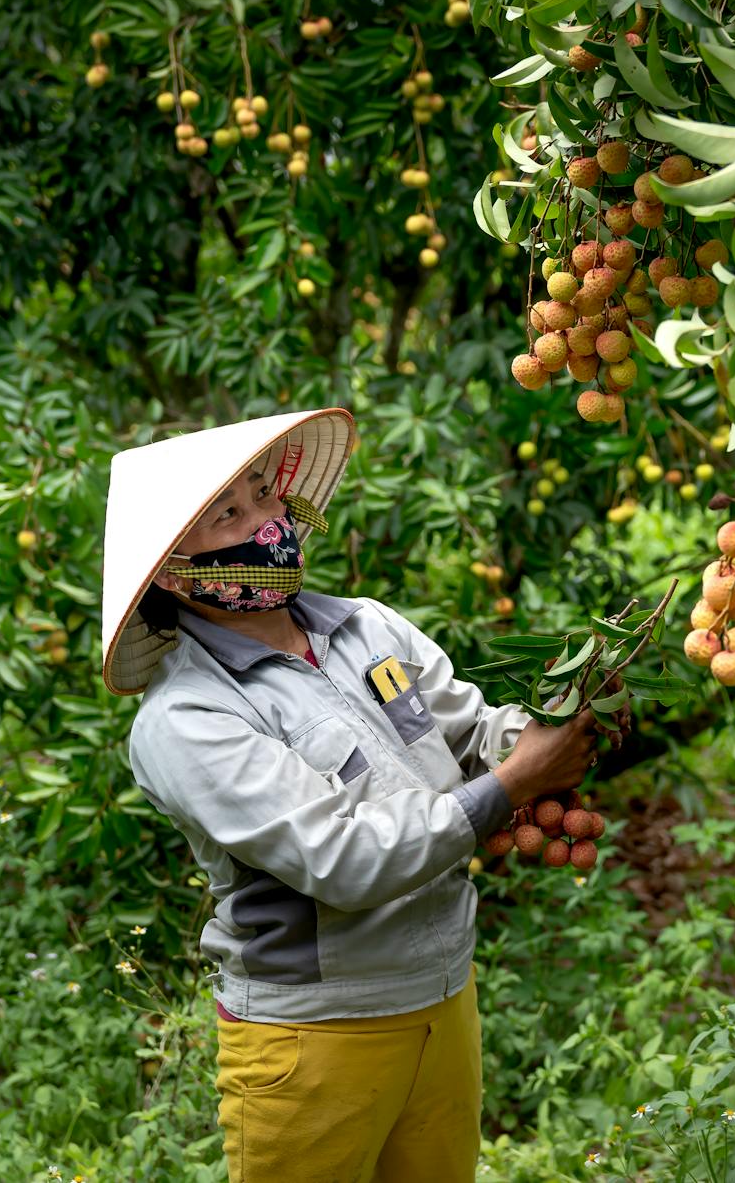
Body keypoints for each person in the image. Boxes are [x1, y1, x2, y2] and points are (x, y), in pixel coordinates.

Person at [98, 407, 615, 1183]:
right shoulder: (187, 718)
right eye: (227, 515)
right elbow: (344, 859)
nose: (266, 519)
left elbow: (470, 730)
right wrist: (517, 783)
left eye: (261, 495)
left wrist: (562, 729)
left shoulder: (367, 628)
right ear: (174, 572)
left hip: (445, 999)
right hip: (312, 1041)